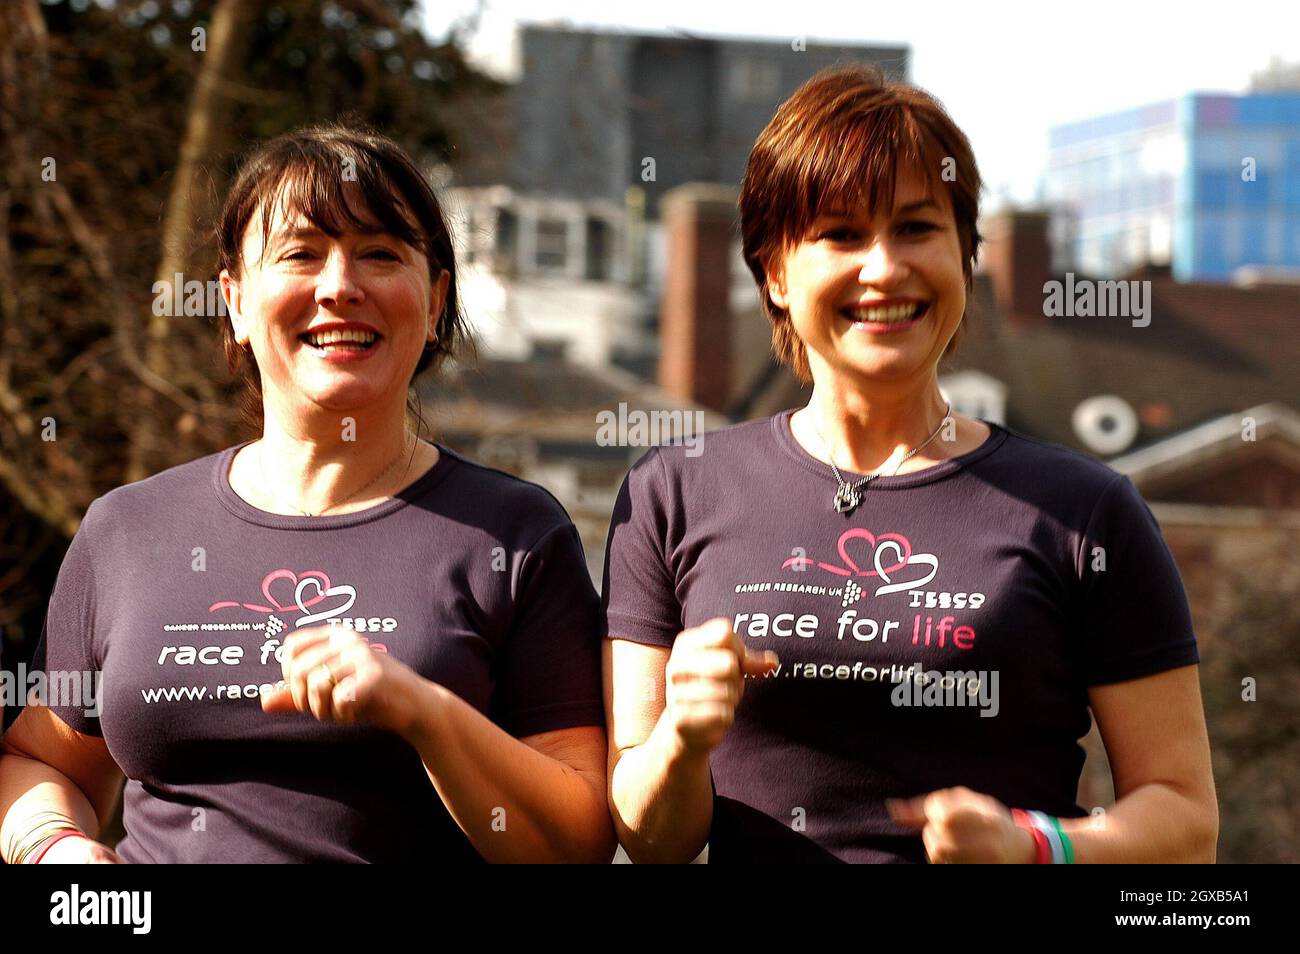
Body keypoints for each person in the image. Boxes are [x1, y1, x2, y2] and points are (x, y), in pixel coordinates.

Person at [601, 65, 1218, 863]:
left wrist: (1034, 846)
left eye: (918, 228)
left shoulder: (1085, 508)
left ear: (967, 256)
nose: (884, 268)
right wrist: (681, 741)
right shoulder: (672, 491)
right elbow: (649, 839)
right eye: (841, 234)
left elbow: (1187, 824)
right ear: (775, 272)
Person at [0, 123, 614, 864]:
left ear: (435, 300)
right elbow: (43, 761)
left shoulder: (513, 534)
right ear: (232, 300)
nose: (340, 286)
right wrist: (55, 850)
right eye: (300, 254)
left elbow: (577, 840)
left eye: (381, 254)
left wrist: (423, 711)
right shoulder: (127, 529)